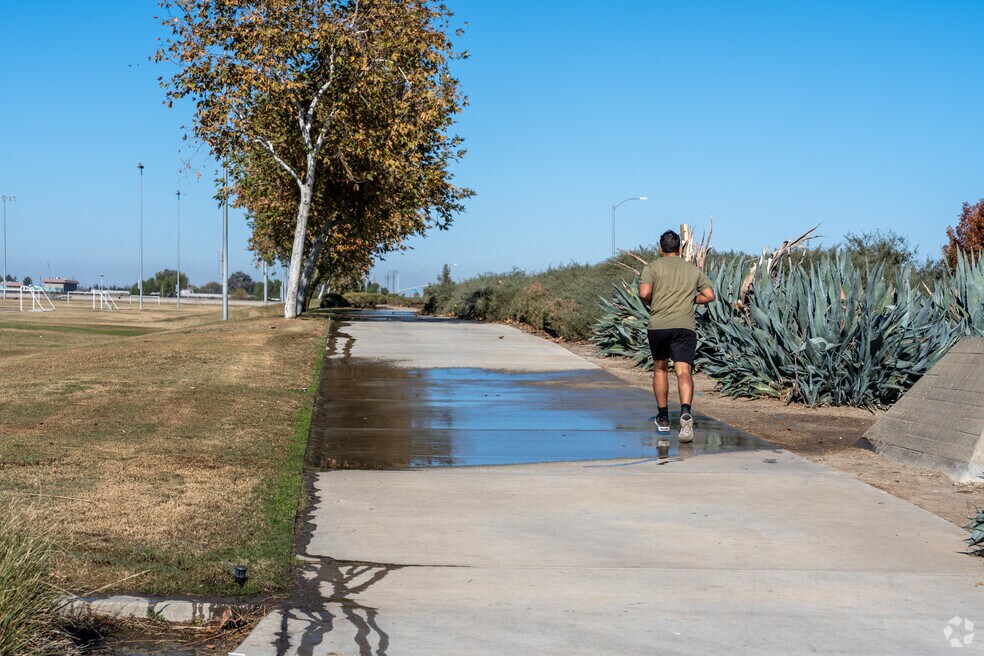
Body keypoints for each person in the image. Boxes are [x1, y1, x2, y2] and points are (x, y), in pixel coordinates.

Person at [638, 230, 715, 442]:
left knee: (660, 369)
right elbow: (710, 295)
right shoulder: (691, 269)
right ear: (680, 249)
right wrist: (691, 301)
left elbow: (644, 293)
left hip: (659, 325)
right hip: (685, 326)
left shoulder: (652, 267)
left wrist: (653, 302)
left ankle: (663, 418)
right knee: (684, 371)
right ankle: (685, 412)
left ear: (660, 248)